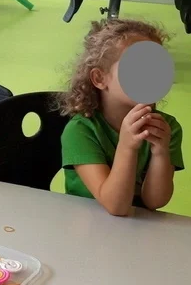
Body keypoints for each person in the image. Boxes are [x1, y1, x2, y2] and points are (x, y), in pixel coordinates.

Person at [60, 19, 184, 216]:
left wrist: (161, 152)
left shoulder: (167, 128)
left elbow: (155, 202)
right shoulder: (80, 130)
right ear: (100, 78)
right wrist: (127, 146)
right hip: (87, 222)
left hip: (134, 225)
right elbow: (116, 206)